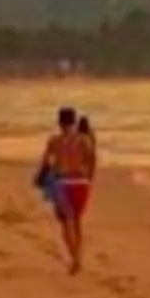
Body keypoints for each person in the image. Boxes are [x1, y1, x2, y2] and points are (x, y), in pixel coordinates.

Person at [40, 106, 96, 275]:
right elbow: (92, 160)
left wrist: (44, 178)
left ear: (59, 122)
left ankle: (75, 259)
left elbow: (46, 162)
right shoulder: (84, 140)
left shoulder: (54, 141)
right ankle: (78, 255)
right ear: (74, 121)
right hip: (81, 184)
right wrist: (89, 178)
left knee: (66, 224)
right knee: (77, 222)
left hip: (63, 184)